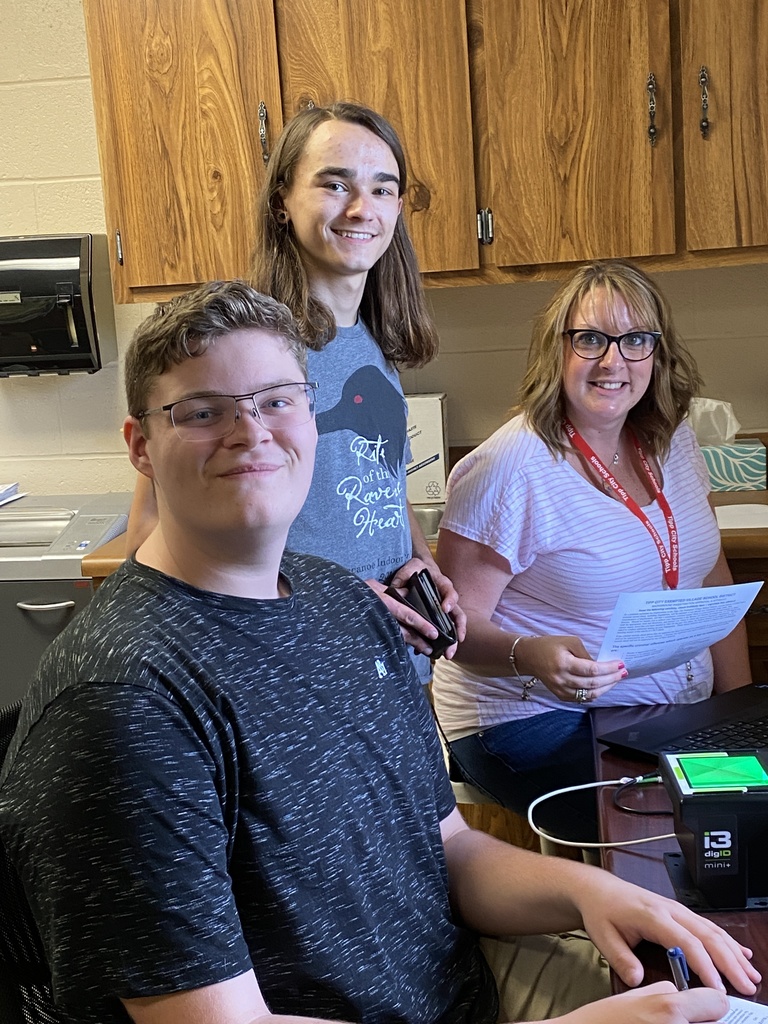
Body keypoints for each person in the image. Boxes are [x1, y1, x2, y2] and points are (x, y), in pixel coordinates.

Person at [0, 280, 759, 1024]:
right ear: (140, 446)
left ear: (312, 415)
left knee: (733, 998)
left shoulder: (343, 602)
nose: (252, 432)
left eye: (277, 400)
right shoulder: (124, 705)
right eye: (202, 412)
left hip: (462, 983)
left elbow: (450, 849)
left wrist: (593, 893)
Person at [126, 101, 465, 672]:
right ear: (281, 200)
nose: (363, 208)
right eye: (335, 184)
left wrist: (420, 561)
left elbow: (377, 476)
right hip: (294, 668)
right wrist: (328, 606)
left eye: (384, 189)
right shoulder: (244, 347)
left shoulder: (374, 340)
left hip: (387, 664)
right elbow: (151, 532)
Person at [431, 259, 752, 845]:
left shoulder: (670, 436)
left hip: (658, 717)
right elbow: (452, 632)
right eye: (590, 339)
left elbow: (709, 574)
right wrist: (529, 653)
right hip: (530, 720)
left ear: (657, 352)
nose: (613, 361)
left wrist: (740, 714)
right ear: (557, 351)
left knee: (747, 812)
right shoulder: (509, 469)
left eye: (635, 340)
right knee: (678, 839)